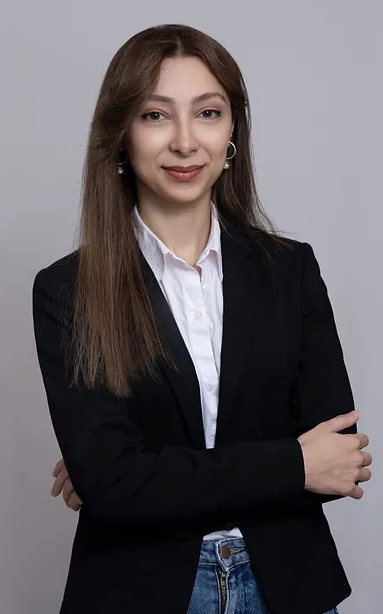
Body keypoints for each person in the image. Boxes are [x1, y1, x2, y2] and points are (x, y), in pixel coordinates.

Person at [32, 23, 372, 614]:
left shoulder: (290, 270)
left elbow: (339, 461)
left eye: (208, 113)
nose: (186, 142)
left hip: (290, 586)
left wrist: (141, 476)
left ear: (232, 130)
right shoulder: (68, 289)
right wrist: (292, 463)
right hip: (136, 591)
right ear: (121, 133)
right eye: (156, 116)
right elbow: (114, 484)